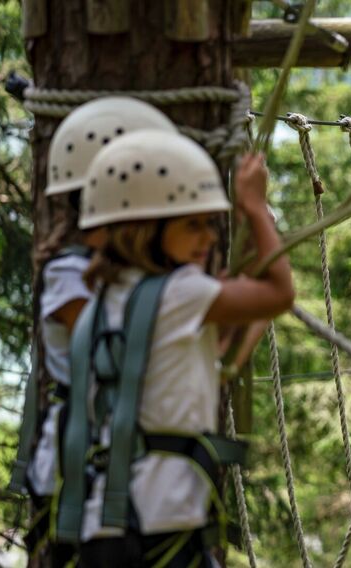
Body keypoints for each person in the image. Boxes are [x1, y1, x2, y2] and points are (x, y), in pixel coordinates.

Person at [55, 130, 293, 566]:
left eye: (208, 223)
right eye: (192, 225)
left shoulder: (105, 300)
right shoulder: (181, 294)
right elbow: (280, 293)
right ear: (145, 229)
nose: (208, 238)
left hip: (104, 523)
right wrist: (257, 210)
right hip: (163, 521)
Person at [10, 97, 177, 565]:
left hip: (135, 467)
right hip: (86, 470)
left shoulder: (142, 277)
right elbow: (113, 350)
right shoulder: (70, 274)